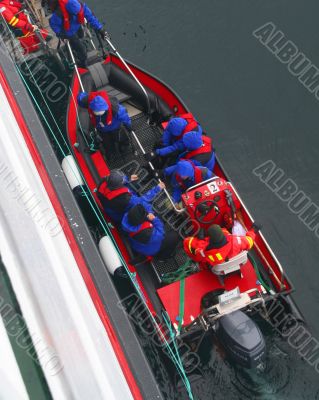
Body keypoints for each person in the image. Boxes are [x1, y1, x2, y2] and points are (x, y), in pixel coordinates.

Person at [49, 0, 107, 67]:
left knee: (81, 35)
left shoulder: (80, 6)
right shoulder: (59, 14)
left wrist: (100, 29)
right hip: (68, 33)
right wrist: (61, 34)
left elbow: (90, 17)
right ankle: (83, 63)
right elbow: (53, 25)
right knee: (81, 51)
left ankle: (75, 47)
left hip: (77, 25)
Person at [97, 170, 165, 223]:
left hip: (109, 206)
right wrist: (157, 189)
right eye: (122, 180)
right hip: (119, 215)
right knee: (150, 210)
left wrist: (129, 179)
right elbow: (142, 200)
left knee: (135, 185)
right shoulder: (125, 198)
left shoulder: (103, 183)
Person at [184, 223, 261, 268]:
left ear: (210, 238)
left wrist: (201, 240)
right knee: (225, 230)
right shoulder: (237, 241)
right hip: (232, 262)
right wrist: (253, 230)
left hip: (217, 267)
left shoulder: (204, 251)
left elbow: (197, 257)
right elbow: (250, 241)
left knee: (188, 241)